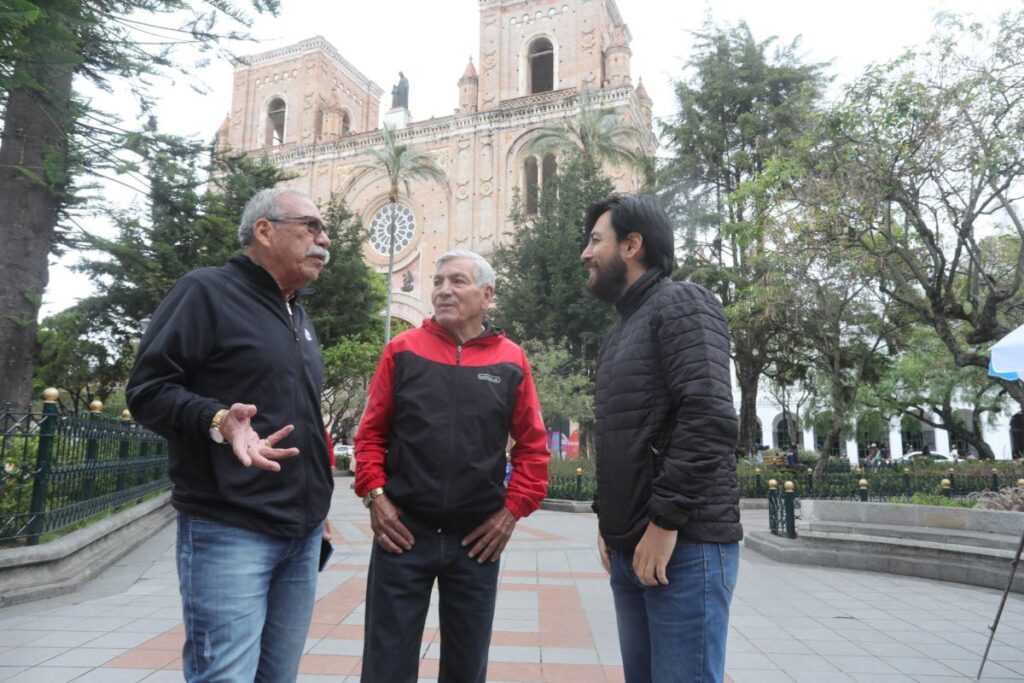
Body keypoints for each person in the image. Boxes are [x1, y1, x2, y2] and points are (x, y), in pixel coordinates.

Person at [125, 187, 335, 682]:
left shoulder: (297, 315)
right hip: (230, 528)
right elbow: (147, 391)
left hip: (301, 536)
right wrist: (218, 419)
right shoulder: (205, 291)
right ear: (264, 230)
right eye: (311, 227)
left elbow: (305, 417)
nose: (324, 241)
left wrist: (317, 503)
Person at [354, 249, 549, 683]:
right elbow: (370, 435)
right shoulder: (401, 350)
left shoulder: (511, 361)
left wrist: (510, 513)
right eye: (439, 281)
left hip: (476, 543)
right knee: (385, 667)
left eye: (457, 281)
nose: (444, 290)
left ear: (487, 294)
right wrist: (375, 497)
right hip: (402, 535)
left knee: (466, 669)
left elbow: (533, 449)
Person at [581, 194, 741, 683]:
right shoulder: (622, 331)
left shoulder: (683, 303)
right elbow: (624, 436)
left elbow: (709, 415)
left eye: (594, 241)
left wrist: (665, 523)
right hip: (633, 548)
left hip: (683, 547)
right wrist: (609, 522)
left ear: (632, 245)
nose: (585, 255)